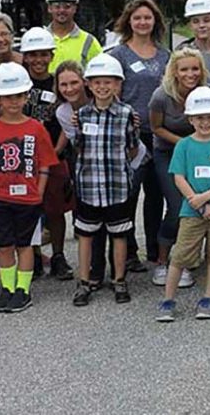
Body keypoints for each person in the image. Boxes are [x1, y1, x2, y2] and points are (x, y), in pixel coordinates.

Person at [0, 62, 58, 313]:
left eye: (18, 96)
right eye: (7, 97)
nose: (13, 101)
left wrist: (39, 191)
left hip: (28, 199)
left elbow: (45, 164)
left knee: (25, 244)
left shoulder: (36, 128)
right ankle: (7, 288)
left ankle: (23, 289)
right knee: (4, 245)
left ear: (26, 97)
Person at [156, 88, 210, 322]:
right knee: (180, 256)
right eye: (200, 117)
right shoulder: (183, 146)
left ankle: (207, 298)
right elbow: (179, 178)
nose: (205, 122)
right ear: (190, 119)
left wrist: (206, 198)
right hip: (191, 212)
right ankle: (168, 300)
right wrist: (199, 203)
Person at [70, 54, 140, 306]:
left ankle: (119, 279)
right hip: (88, 186)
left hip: (116, 186)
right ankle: (84, 281)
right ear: (88, 84)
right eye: (97, 82)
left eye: (108, 82)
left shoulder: (126, 114)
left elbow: (133, 147)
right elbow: (78, 146)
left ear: (118, 84)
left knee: (119, 234)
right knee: (86, 234)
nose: (102, 87)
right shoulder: (82, 115)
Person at [109, 0, 171, 270]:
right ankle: (129, 250)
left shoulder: (165, 55)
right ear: (128, 22)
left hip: (158, 134)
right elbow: (111, 93)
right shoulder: (117, 55)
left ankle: (155, 249)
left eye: (147, 17)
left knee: (156, 195)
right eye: (137, 18)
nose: (143, 22)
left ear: (155, 21)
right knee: (130, 193)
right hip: (129, 136)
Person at [16, 27, 72, 279]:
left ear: (51, 55)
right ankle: (34, 255)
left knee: (55, 208)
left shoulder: (57, 83)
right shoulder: (17, 82)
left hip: (54, 154)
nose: (38, 60)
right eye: (32, 55)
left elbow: (67, 120)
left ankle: (58, 255)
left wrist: (57, 150)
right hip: (25, 157)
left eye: (43, 55)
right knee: (30, 209)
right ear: (25, 57)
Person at [149, 48, 205, 288]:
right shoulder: (161, 96)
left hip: (198, 152)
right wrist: (184, 143)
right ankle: (163, 260)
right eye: (184, 69)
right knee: (176, 205)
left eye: (195, 68)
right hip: (168, 152)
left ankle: (186, 259)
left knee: (197, 204)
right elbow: (156, 128)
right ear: (174, 72)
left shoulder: (205, 94)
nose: (190, 74)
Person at [44, 0, 103, 73]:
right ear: (49, 8)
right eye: (57, 6)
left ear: (75, 8)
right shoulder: (40, 38)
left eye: (67, 6)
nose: (62, 10)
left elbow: (100, 73)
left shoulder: (89, 41)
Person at [179, 0, 210, 82]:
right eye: (195, 21)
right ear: (190, 25)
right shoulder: (182, 52)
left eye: (206, 20)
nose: (201, 25)